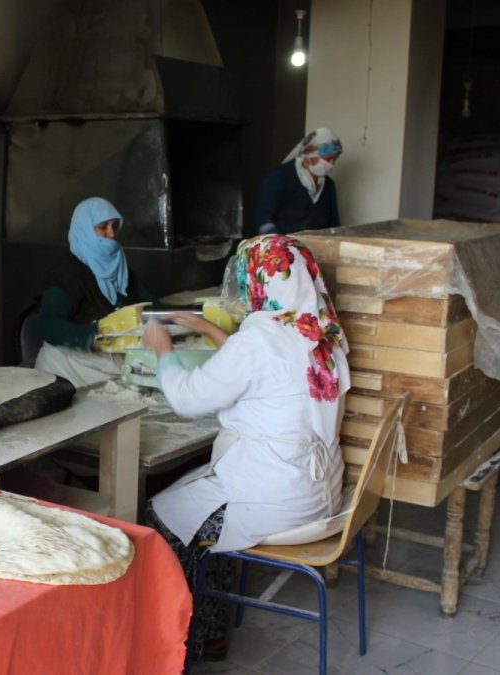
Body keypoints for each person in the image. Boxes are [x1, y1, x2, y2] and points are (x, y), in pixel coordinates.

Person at [140, 234, 350, 660]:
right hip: (320, 491)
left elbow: (187, 398)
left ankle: (182, 646)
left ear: (255, 282)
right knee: (200, 506)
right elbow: (272, 370)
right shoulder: (323, 335)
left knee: (163, 517)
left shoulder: (259, 341)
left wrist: (163, 351)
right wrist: (210, 329)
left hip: (276, 498)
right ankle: (212, 633)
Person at [33, 197, 156, 388]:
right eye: (103, 227)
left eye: (115, 226)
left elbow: (150, 305)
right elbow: (47, 324)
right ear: (85, 229)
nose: (111, 233)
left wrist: (184, 316)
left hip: (109, 362)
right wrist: (92, 340)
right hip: (69, 368)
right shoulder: (68, 272)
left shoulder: (119, 268)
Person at [253, 127, 343, 235]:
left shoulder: (328, 185)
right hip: (280, 246)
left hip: (315, 248)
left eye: (335, 159)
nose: (331, 164)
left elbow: (334, 225)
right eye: (328, 159)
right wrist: (280, 244)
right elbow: (261, 218)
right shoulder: (280, 177)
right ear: (310, 154)